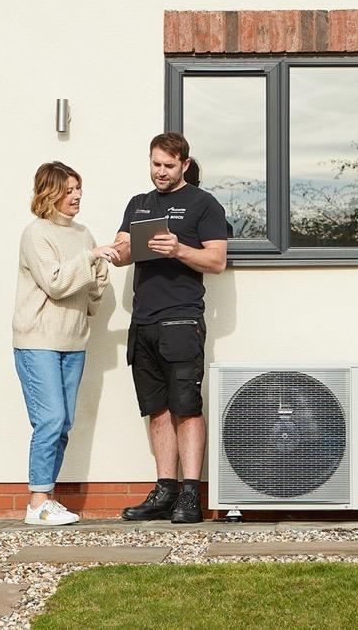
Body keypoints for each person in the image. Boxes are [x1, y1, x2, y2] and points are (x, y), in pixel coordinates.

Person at [105, 132, 228, 523]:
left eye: (169, 166)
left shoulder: (204, 204)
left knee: (186, 408)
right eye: (155, 164)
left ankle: (190, 496)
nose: (161, 172)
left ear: (184, 165)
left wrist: (178, 249)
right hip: (143, 322)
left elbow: (217, 261)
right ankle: (165, 491)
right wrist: (120, 251)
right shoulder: (139, 204)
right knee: (156, 410)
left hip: (182, 320)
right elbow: (121, 252)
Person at [12, 160, 113, 526]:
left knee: (63, 423)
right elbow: (55, 283)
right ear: (50, 194)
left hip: (73, 342)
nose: (77, 195)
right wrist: (90, 258)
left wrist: (98, 272)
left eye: (78, 188)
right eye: (68, 190)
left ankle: (47, 499)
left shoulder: (84, 234)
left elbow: (91, 290)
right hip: (37, 340)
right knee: (50, 419)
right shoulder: (36, 234)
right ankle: (37, 502)